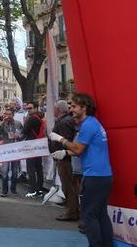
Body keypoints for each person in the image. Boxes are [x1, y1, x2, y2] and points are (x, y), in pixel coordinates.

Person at [49, 93, 113, 247]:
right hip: (103, 176)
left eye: (74, 106)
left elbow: (78, 149)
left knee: (89, 216)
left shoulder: (88, 125)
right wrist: (65, 153)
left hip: (94, 176)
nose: (71, 109)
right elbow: (84, 149)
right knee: (101, 214)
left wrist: (60, 139)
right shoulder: (93, 123)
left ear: (84, 108)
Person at [49, 100, 78, 221]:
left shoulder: (64, 122)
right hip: (64, 157)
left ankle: (71, 212)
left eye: (54, 108)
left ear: (58, 110)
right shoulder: (65, 120)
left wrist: (63, 153)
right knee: (69, 185)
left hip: (65, 159)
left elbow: (67, 140)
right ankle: (72, 210)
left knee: (68, 186)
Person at [0, 109, 23, 197]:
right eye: (6, 114)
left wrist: (18, 136)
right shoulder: (3, 123)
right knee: (4, 171)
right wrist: (2, 122)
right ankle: (4, 190)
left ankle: (13, 189)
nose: (8, 116)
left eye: (10, 114)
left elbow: (22, 135)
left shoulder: (18, 123)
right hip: (5, 150)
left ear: (13, 115)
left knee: (14, 172)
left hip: (15, 150)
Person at [22, 102, 45, 198]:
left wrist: (25, 122)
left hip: (32, 145)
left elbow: (24, 131)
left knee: (31, 168)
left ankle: (33, 190)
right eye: (27, 108)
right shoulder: (40, 117)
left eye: (30, 108)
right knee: (39, 168)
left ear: (36, 108)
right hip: (39, 145)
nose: (29, 110)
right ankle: (39, 189)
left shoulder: (31, 118)